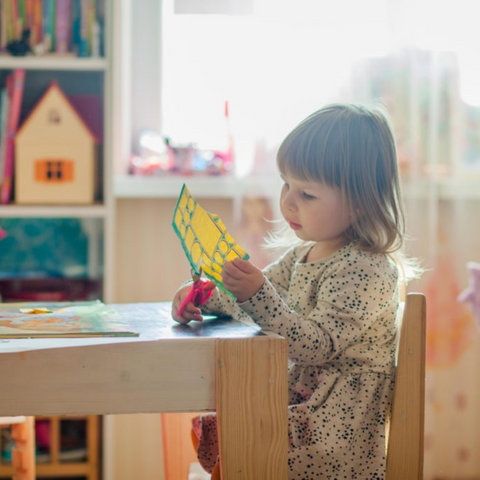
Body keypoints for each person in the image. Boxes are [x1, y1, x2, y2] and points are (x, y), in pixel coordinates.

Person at [172, 103, 413, 479]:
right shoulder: (302, 253)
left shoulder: (367, 269)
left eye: (307, 194)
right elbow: (254, 301)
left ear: (361, 200)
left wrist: (255, 294)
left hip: (333, 435)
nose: (287, 201)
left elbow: (315, 346)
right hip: (302, 410)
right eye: (286, 184)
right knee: (227, 426)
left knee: (241, 437)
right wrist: (204, 295)